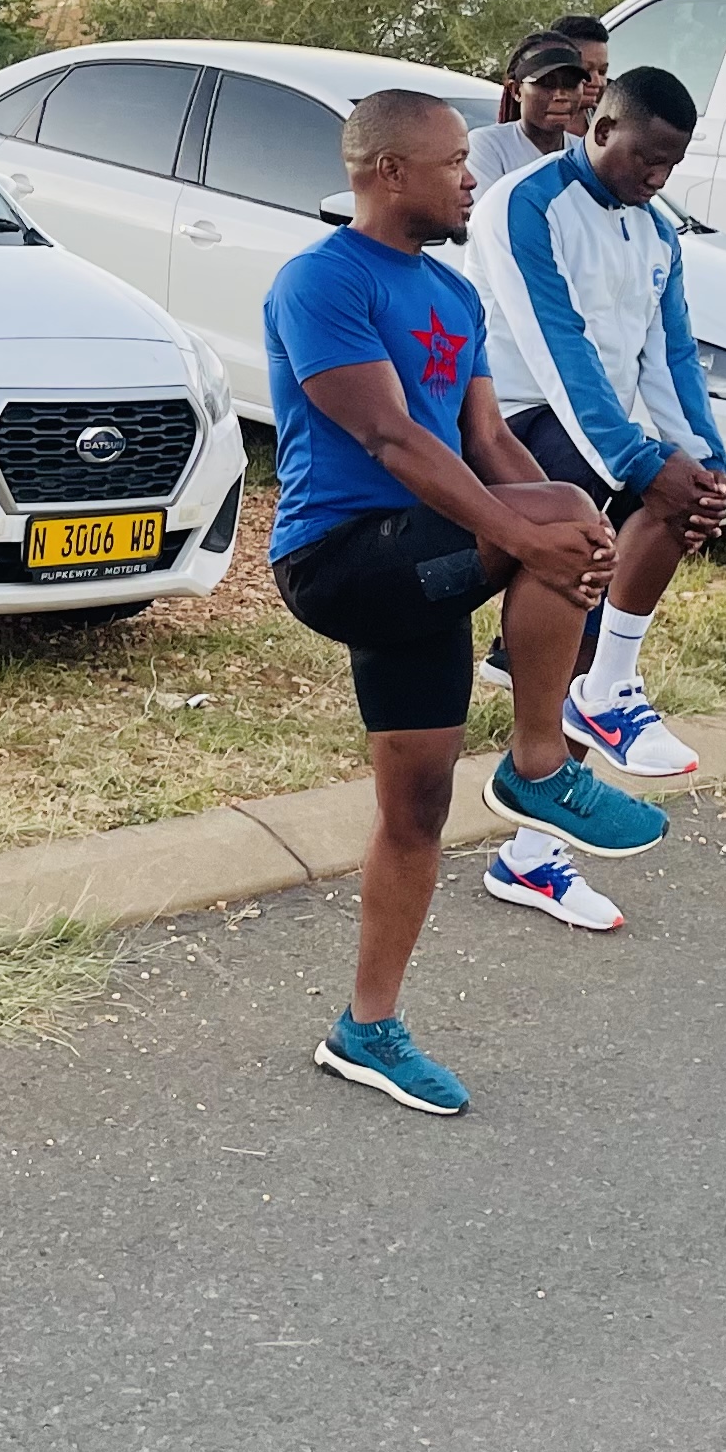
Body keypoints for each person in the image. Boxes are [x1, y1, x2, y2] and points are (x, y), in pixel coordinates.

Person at [266, 92, 662, 1112]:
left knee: (419, 807)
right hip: (345, 556)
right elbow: (389, 438)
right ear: (389, 171)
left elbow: (489, 445)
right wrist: (531, 532)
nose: (471, 178)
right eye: (452, 164)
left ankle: (368, 1029)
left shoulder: (455, 293)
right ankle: (539, 763)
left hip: (433, 561)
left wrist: (555, 523)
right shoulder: (321, 280)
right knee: (560, 518)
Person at [468, 62, 726, 797]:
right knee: (634, 509)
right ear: (602, 128)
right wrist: (640, 459)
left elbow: (671, 355)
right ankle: (601, 689)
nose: (659, 175)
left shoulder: (656, 234)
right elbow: (559, 350)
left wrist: (708, 461)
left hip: (597, 430)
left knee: (686, 492)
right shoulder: (522, 205)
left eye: (673, 163)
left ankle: (535, 849)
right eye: (648, 157)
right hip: (513, 422)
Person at [466, 28, 602, 192]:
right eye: (546, 84)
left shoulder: (586, 153)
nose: (560, 95)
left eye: (571, 83)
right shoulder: (488, 146)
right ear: (516, 90)